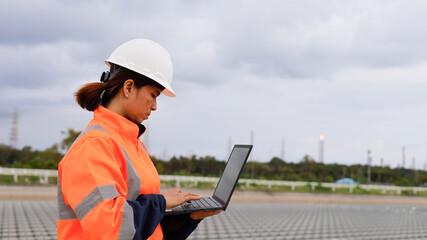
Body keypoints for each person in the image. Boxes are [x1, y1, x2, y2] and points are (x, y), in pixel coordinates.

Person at [57, 39, 221, 240]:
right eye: (153, 95)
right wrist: (161, 202)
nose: (154, 106)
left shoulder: (132, 143)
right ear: (128, 88)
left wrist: (189, 218)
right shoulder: (93, 145)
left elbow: (142, 228)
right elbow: (111, 229)